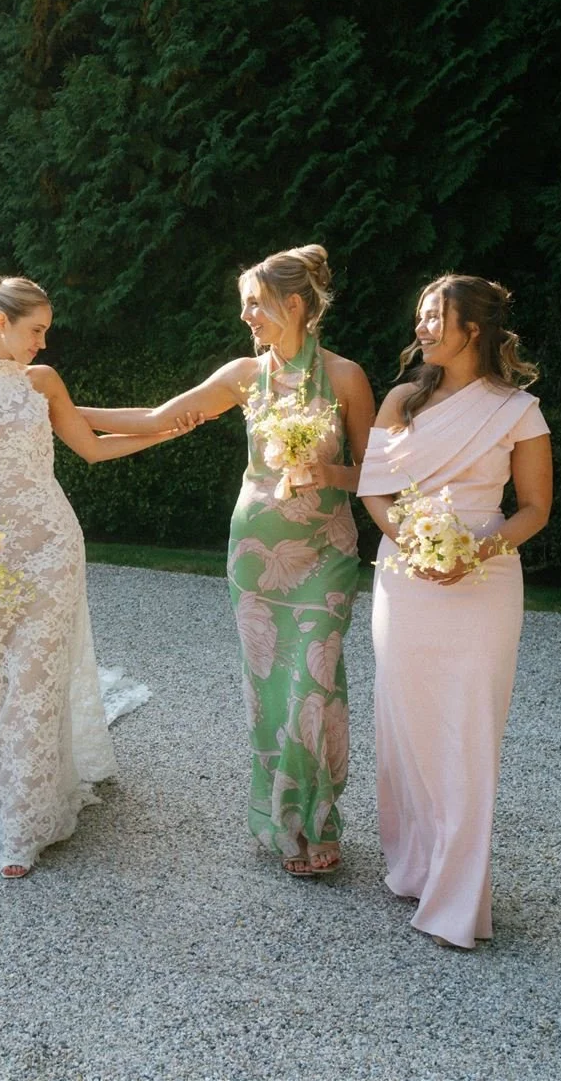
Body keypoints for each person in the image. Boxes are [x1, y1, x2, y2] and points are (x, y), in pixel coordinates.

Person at [81, 246, 373, 878]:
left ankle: (320, 821)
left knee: (314, 684)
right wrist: (57, 411)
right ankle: (282, 821)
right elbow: (160, 418)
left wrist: (326, 472)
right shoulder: (246, 375)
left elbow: (378, 474)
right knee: (271, 690)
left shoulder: (346, 378)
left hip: (326, 555)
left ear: (292, 304)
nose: (246, 315)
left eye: (254, 303)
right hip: (253, 557)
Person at [0, 276, 185, 877]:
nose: (43, 343)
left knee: (37, 677)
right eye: (35, 330)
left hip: (51, 545)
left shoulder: (43, 383)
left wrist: (168, 431)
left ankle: (22, 823)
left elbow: (91, 449)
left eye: (46, 330)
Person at [357, 275, 551, 949]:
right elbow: (374, 489)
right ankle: (417, 865)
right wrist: (407, 537)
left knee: (468, 734)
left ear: (473, 327)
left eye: (435, 316)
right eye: (420, 316)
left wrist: (476, 549)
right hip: (404, 578)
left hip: (485, 579)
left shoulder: (518, 411)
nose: (423, 327)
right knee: (406, 727)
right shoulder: (402, 399)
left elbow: (534, 508)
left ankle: (459, 901)